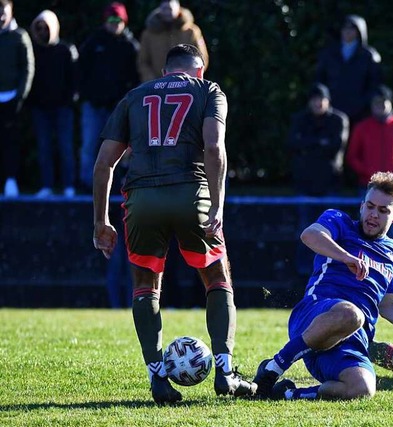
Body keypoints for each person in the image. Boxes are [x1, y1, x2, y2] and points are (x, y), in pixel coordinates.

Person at [92, 44, 255, 404]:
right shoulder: (209, 90)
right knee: (216, 276)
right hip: (190, 193)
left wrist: (101, 222)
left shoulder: (135, 95)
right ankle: (225, 371)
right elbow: (214, 148)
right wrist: (217, 204)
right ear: (199, 71)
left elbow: (104, 163)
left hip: (141, 200)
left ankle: (158, 379)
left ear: (165, 72)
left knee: (145, 286)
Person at [252, 171, 393, 400]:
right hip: (314, 317)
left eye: (383, 211)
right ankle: (272, 369)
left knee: (363, 389)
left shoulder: (392, 251)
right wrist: (346, 257)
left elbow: (388, 304)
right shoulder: (339, 222)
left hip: (353, 338)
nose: (373, 215)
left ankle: (288, 393)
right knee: (352, 314)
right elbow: (309, 235)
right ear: (361, 206)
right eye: (370, 206)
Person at [287, 82, 349, 288]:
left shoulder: (338, 120)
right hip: (305, 185)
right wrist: (318, 143)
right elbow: (294, 144)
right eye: (314, 99)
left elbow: (335, 146)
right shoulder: (300, 120)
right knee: (304, 231)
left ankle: (331, 272)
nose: (317, 103)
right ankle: (303, 274)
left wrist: (310, 144)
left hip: (330, 184)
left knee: (332, 232)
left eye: (321, 99)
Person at [78, 2, 139, 193]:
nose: (115, 24)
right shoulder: (93, 42)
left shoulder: (130, 46)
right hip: (94, 104)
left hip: (119, 107)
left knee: (120, 147)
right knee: (89, 145)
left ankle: (117, 185)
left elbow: (135, 78)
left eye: (119, 20)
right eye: (111, 20)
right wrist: (87, 94)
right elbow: (80, 70)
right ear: (105, 21)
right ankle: (86, 184)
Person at [28, 10, 78, 198]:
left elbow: (74, 80)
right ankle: (46, 185)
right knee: (44, 147)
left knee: (65, 147)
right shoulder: (33, 50)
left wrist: (68, 100)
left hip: (63, 108)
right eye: (38, 28)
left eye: (46, 27)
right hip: (40, 108)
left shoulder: (66, 50)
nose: (42, 32)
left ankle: (68, 185)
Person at [345, 85, 393, 192]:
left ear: (390, 103)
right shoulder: (361, 128)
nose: (380, 105)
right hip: (368, 185)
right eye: (376, 102)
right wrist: (365, 171)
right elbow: (352, 156)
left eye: (383, 101)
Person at [315, 14, 381, 126]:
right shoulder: (329, 54)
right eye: (345, 28)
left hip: (360, 112)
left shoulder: (369, 56)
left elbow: (375, 84)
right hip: (332, 108)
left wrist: (363, 103)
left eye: (352, 28)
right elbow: (320, 79)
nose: (347, 31)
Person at [0, 0, 34, 197]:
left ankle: (11, 181)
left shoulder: (19, 36)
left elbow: (28, 68)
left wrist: (20, 95)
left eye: (3, 12)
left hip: (12, 98)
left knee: (11, 142)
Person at [137, 0, 208, 82]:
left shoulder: (191, 31)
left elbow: (202, 58)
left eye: (170, 9)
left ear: (178, 8)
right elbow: (143, 61)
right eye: (165, 9)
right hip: (158, 84)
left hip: (187, 83)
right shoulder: (149, 34)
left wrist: (191, 78)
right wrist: (152, 80)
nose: (167, 12)